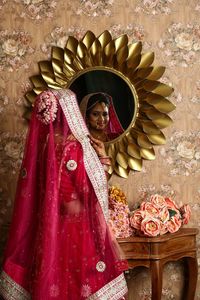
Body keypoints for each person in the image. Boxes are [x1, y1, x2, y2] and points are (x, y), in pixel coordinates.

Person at [0, 89, 128, 299]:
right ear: (68, 113)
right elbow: (90, 187)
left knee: (55, 278)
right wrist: (103, 159)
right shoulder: (74, 147)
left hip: (50, 223)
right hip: (76, 224)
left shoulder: (48, 144)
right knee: (78, 281)